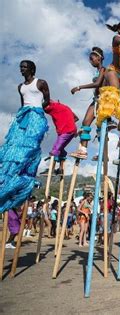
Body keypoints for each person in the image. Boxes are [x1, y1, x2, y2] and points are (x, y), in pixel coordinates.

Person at [0, 60, 49, 213]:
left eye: (24, 67)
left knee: (30, 147)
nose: (21, 69)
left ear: (31, 69)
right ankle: (10, 183)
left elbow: (46, 100)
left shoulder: (40, 83)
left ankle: (25, 179)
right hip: (23, 118)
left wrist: (37, 112)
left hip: (36, 116)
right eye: (20, 67)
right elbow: (23, 103)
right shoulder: (20, 87)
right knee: (13, 149)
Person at [70, 47, 114, 160]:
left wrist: (80, 87)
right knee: (85, 123)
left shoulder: (103, 70)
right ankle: (83, 150)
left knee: (100, 127)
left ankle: (103, 153)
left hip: (103, 100)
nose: (90, 61)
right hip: (95, 99)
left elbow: (98, 83)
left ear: (99, 58)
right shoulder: (97, 71)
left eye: (92, 58)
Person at [42, 100, 78, 175]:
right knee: (60, 149)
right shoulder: (64, 107)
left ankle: (51, 170)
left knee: (55, 149)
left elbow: (43, 108)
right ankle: (61, 169)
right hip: (71, 131)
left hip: (65, 131)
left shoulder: (53, 107)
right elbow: (76, 118)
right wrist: (69, 123)